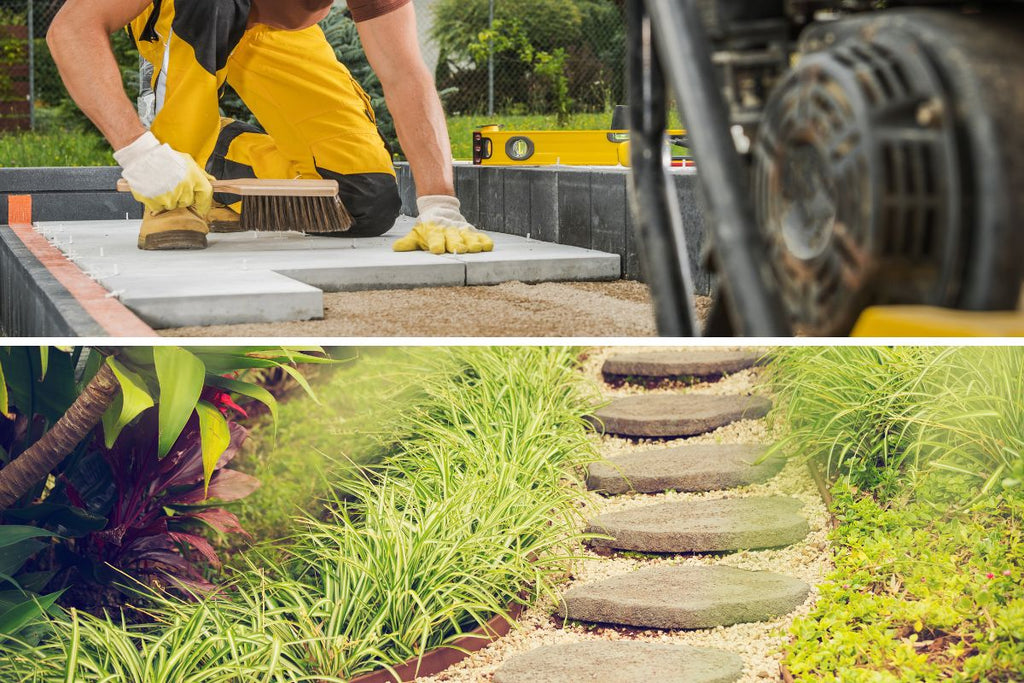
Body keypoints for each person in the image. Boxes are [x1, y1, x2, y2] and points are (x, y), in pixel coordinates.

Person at [47, 0, 493, 254]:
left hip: (279, 31)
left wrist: (439, 204)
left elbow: (405, 75)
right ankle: (172, 191)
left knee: (363, 201)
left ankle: (212, 159)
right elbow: (71, 29)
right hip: (186, 12)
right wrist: (140, 154)